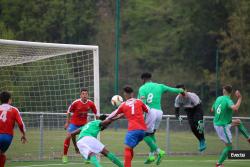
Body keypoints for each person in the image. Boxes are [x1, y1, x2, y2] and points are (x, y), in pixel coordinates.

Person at [138, 72, 184, 164]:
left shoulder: (142, 88)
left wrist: (141, 115)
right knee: (151, 134)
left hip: (150, 112)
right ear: (150, 78)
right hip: (159, 112)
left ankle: (159, 151)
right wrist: (182, 91)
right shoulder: (160, 86)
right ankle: (151, 156)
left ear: (143, 79)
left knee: (144, 134)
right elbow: (173, 90)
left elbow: (142, 102)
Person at [108, 86, 148, 167]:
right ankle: (128, 164)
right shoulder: (139, 101)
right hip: (143, 131)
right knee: (130, 148)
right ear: (132, 94)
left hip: (133, 130)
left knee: (127, 149)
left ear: (125, 94)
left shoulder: (123, 105)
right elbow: (148, 110)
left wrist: (106, 118)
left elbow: (114, 113)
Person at [211, 85, 250, 167]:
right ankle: (219, 164)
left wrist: (222, 114)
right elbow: (235, 108)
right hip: (222, 126)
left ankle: (248, 138)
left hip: (219, 123)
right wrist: (239, 98)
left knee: (238, 122)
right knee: (229, 147)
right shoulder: (228, 100)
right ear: (231, 92)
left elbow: (212, 109)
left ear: (223, 91)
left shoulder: (218, 98)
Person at [62, 88, 99, 163]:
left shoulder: (91, 103)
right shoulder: (76, 103)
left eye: (86, 94)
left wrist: (97, 123)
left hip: (83, 125)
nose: (84, 95)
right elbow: (69, 111)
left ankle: (87, 158)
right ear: (80, 95)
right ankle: (65, 155)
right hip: (74, 124)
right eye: (83, 94)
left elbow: (96, 113)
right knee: (68, 136)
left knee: (86, 140)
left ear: (88, 95)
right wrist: (67, 122)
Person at [174, 84, 206, 152]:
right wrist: (178, 117)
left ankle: (203, 139)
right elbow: (176, 111)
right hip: (188, 110)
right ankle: (200, 140)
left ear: (186, 90)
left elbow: (198, 107)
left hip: (197, 108)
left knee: (198, 122)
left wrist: (199, 119)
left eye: (183, 91)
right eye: (179, 92)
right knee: (192, 127)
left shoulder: (192, 96)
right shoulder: (177, 99)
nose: (182, 94)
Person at [0, 91, 27, 167]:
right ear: (9, 100)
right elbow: (21, 124)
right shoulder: (14, 110)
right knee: (1, 154)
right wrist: (23, 134)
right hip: (8, 137)